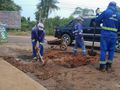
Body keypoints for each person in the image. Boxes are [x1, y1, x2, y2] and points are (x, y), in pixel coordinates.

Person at [95, 1, 120, 72]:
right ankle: (109, 66)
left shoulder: (106, 12)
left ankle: (102, 67)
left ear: (109, 5)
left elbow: (97, 20)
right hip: (114, 35)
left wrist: (97, 13)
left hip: (105, 34)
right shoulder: (119, 14)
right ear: (115, 6)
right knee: (111, 50)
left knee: (103, 50)